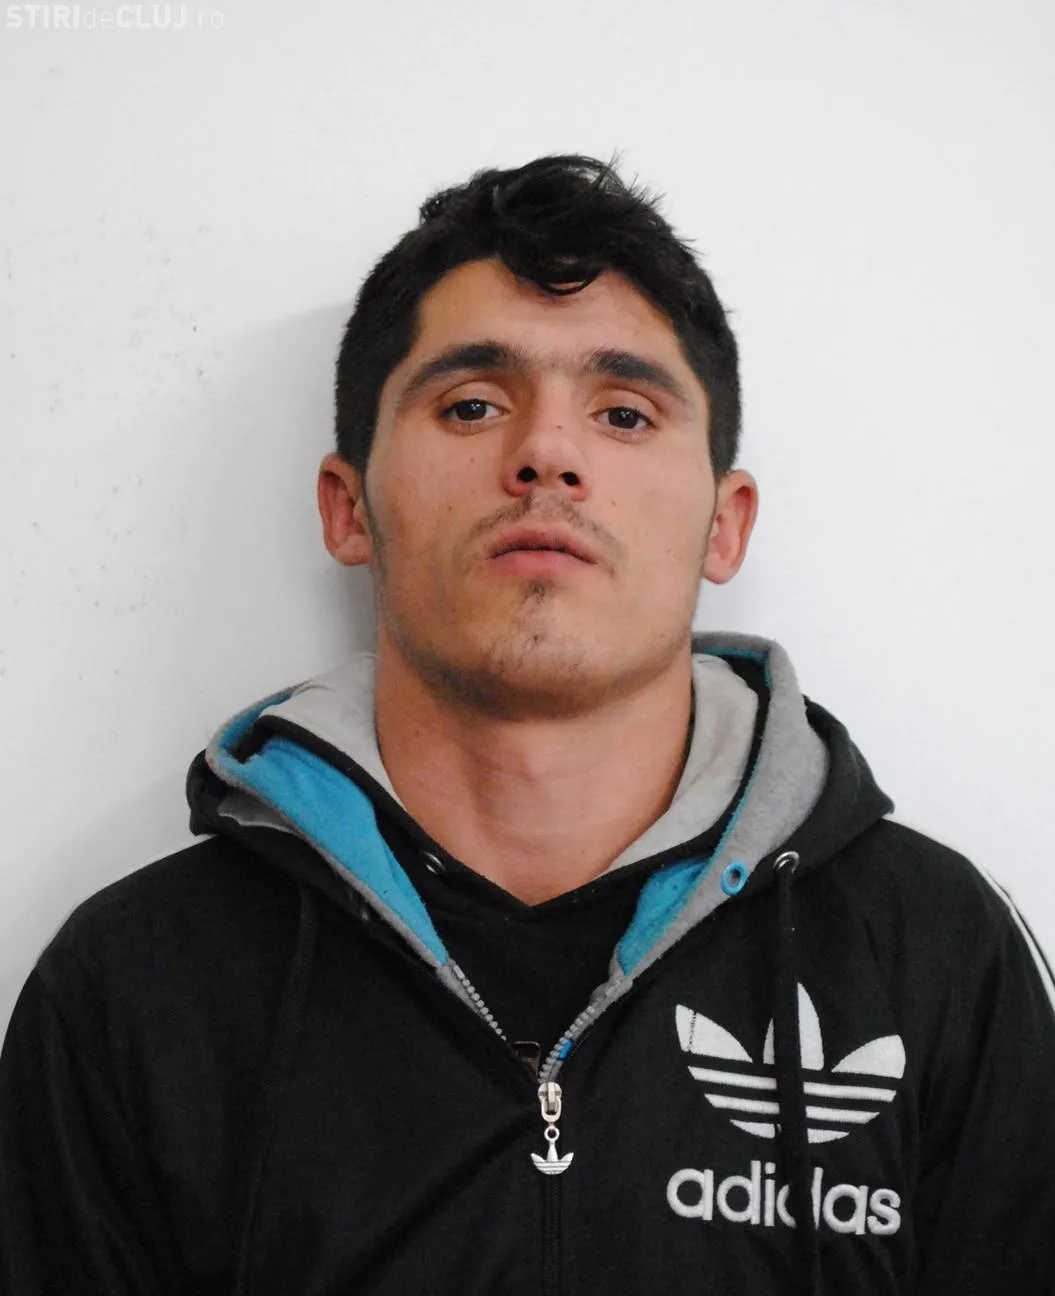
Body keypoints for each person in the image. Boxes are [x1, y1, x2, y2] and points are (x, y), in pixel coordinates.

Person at [1, 153, 1052, 1296]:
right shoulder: (133, 989)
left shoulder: (933, 956)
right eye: (471, 406)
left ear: (724, 524)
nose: (546, 454)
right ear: (348, 508)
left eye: (623, 413)